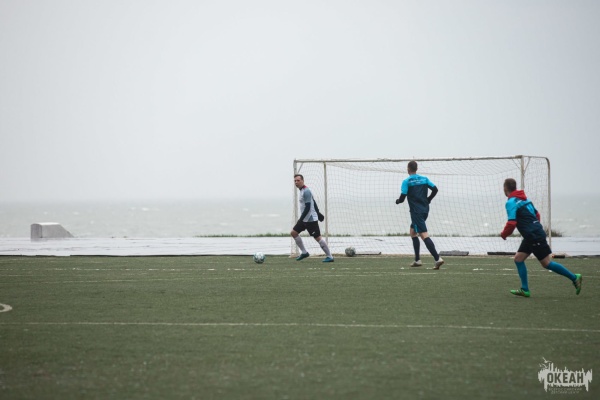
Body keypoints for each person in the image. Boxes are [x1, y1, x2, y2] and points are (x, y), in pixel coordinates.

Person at [501, 178, 582, 297]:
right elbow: (537, 214)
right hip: (531, 235)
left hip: (533, 235)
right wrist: (533, 227)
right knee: (518, 259)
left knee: (546, 263)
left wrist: (504, 234)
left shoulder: (511, 202)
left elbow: (512, 222)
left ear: (505, 188)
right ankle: (525, 289)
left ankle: (574, 277)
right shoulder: (525, 199)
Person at [395, 161, 444, 269]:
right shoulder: (424, 179)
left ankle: (437, 258)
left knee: (423, 234)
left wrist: (397, 201)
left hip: (416, 212)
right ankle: (417, 260)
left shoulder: (406, 181)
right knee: (413, 232)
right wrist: (429, 199)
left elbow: (402, 198)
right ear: (416, 169)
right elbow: (435, 189)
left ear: (408, 169)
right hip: (425, 209)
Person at [291, 174, 334, 262]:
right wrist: (318, 213)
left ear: (303, 181)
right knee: (294, 233)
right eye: (295, 181)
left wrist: (301, 218)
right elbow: (313, 202)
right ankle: (304, 252)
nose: (296, 182)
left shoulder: (306, 191)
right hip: (304, 219)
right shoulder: (302, 190)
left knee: (318, 238)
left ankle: (330, 257)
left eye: (298, 180)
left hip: (310, 220)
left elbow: (308, 207)